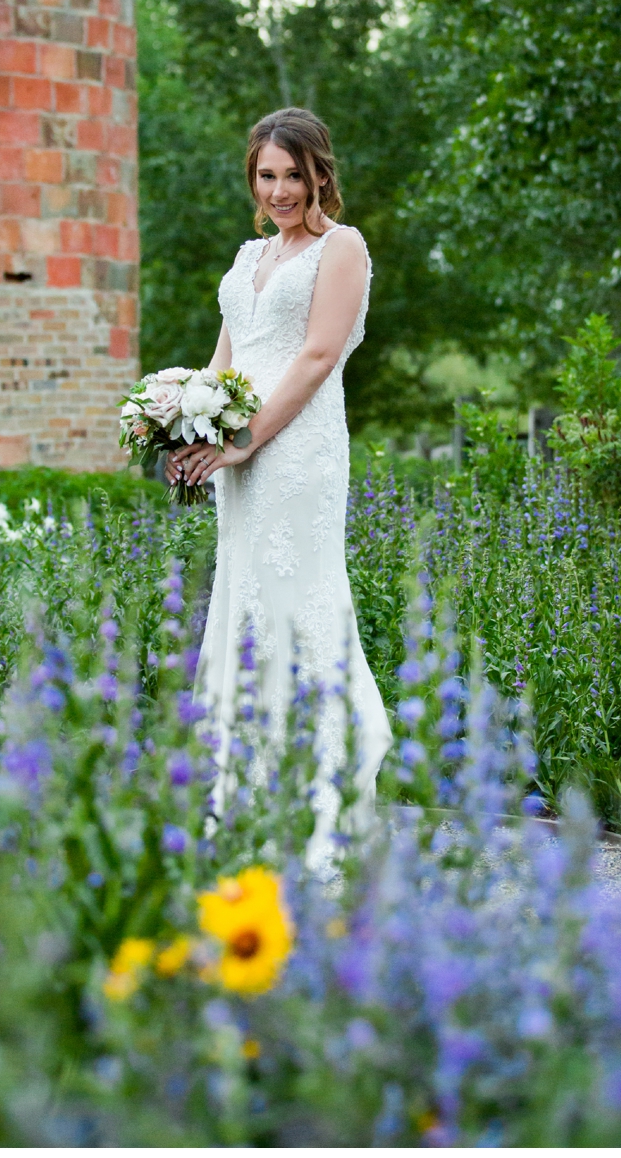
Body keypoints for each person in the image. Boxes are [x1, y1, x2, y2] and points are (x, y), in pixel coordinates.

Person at [168, 108, 392, 869]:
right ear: (253, 180)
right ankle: (241, 794)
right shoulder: (249, 256)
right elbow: (225, 357)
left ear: (320, 173)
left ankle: (320, 801)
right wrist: (184, 429)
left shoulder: (343, 249)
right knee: (244, 597)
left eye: (294, 174)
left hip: (296, 451)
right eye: (267, 175)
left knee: (298, 598)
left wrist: (240, 440)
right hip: (241, 453)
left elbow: (317, 354)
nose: (281, 189)